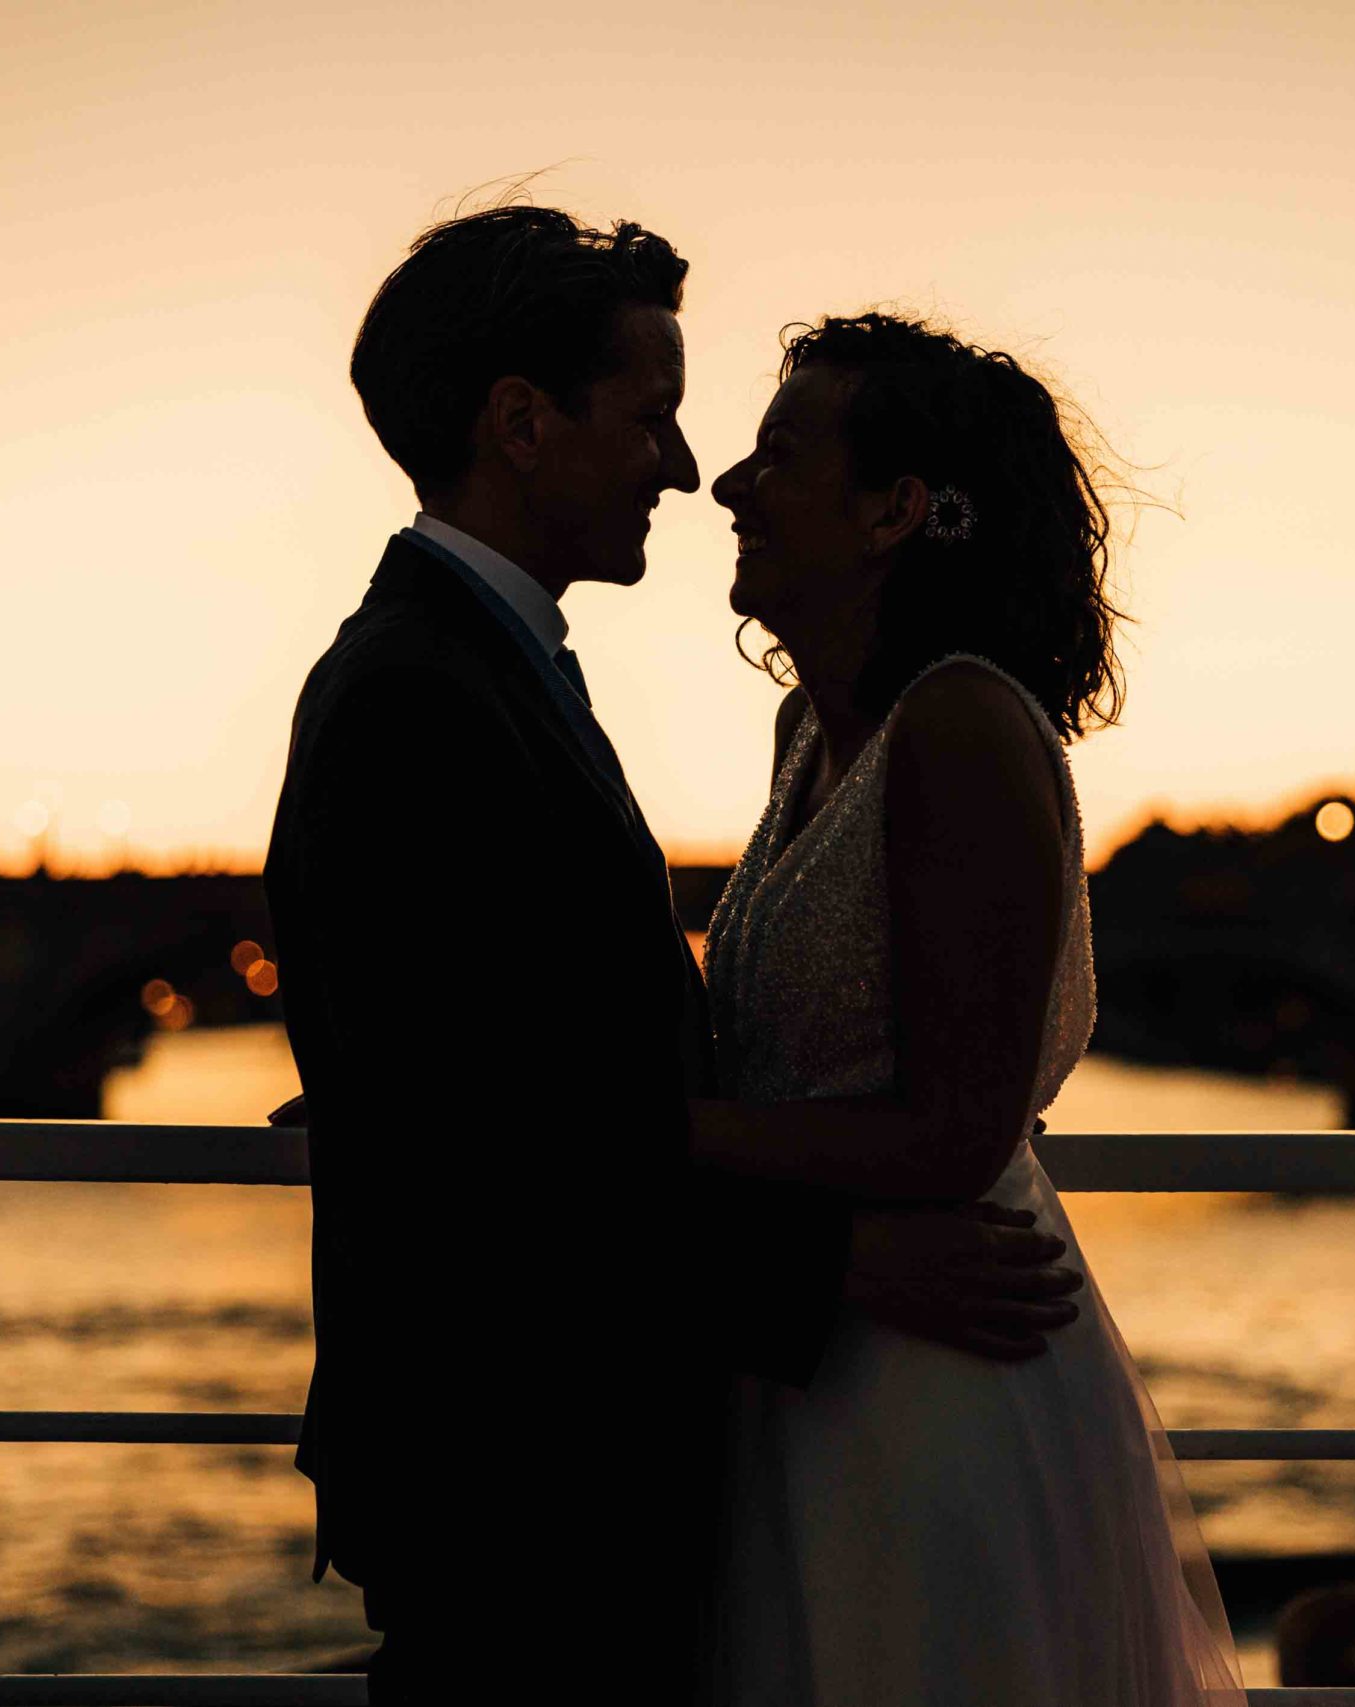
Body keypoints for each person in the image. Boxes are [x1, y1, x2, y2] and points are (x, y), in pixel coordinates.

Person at [263, 207, 1086, 1704]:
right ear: (521, 422)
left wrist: (434, 1102)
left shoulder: (471, 673)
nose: (691, 467)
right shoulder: (417, 698)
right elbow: (467, 1139)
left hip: (687, 1427)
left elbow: (502, 1102)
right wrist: (833, 1267)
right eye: (652, 413)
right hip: (522, 1469)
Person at [691, 312, 1245, 1704]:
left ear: (894, 509)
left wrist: (639, 1130)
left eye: (779, 455)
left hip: (940, 1364)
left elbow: (952, 1133)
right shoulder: (810, 730)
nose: (729, 487)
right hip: (819, 1341)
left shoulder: (964, 729)